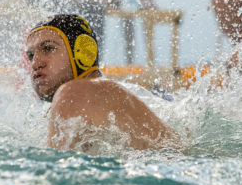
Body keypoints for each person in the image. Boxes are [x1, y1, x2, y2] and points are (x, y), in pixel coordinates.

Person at [25, 14, 181, 151]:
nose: (35, 63)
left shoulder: (76, 93)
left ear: (84, 53)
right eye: (31, 55)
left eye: (48, 48)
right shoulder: (112, 97)